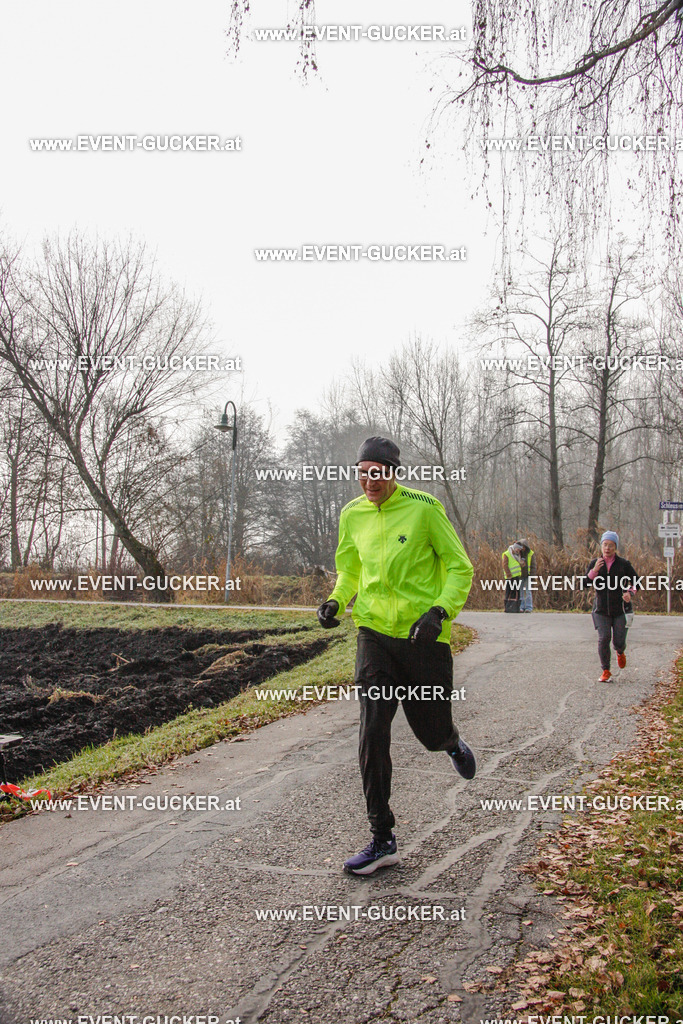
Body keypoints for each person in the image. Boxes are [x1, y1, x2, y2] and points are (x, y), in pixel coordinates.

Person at [316, 436, 475, 876]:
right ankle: (382, 838)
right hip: (374, 635)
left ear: (393, 473)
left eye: (378, 473)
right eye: (362, 473)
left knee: (430, 732)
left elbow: (461, 566)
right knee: (373, 730)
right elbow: (350, 568)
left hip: (423, 639)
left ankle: (450, 742)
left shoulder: (424, 508)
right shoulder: (352, 514)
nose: (369, 481)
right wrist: (337, 599)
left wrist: (440, 612)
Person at [586, 531, 638, 682]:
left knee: (618, 642)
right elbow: (584, 583)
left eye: (611, 545)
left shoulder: (624, 565)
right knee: (604, 638)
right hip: (601, 610)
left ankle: (620, 651)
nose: (607, 548)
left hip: (621, 610)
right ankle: (606, 671)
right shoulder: (595, 563)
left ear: (615, 547)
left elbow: (637, 582)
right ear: (601, 546)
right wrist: (594, 571)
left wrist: (630, 593)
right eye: (605, 545)